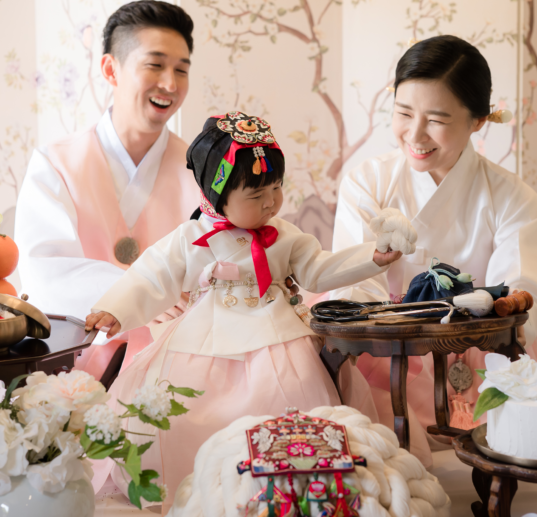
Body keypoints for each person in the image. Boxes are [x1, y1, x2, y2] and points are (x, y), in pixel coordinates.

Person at [84, 111, 413, 498]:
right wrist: (115, 309)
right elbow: (152, 275)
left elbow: (318, 269)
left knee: (295, 400)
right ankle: (202, 490)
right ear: (217, 197)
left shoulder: (284, 235)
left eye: (276, 188)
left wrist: (370, 258)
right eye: (256, 196)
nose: (272, 203)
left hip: (279, 334)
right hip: (203, 335)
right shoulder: (192, 237)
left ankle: (289, 488)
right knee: (182, 413)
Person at [330, 35, 537, 465]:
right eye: (404, 112)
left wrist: (480, 323)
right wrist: (399, 336)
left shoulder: (512, 196)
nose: (415, 133)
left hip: (487, 343)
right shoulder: (366, 183)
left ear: (478, 120)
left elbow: (522, 287)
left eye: (437, 119)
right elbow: (355, 283)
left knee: (507, 457)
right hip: (386, 348)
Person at [14, 0, 199, 376]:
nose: (170, 84)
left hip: (179, 357)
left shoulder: (201, 170)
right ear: (111, 69)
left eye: (181, 70)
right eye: (155, 64)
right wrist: (144, 293)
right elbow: (45, 272)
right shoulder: (55, 164)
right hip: (76, 357)